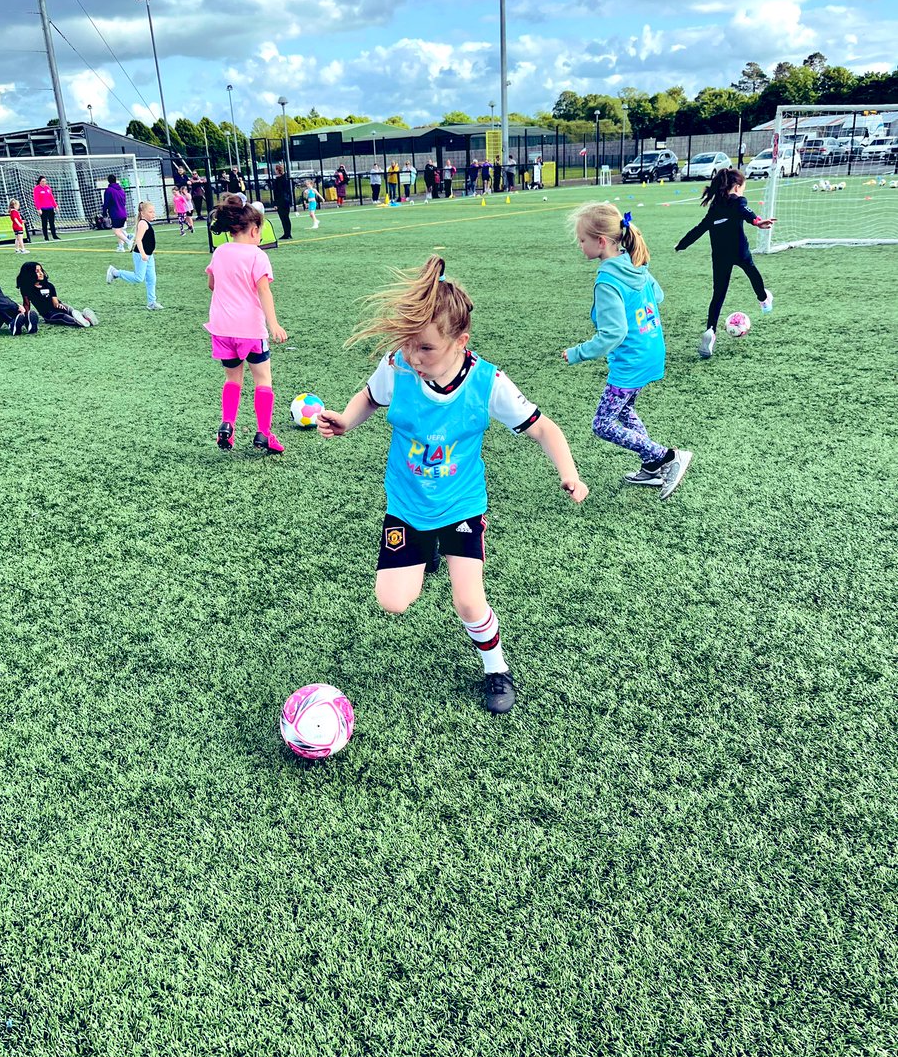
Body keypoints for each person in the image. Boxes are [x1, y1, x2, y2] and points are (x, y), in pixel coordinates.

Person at [317, 255, 589, 714]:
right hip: (406, 503)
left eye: (425, 348)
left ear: (461, 342)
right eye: (407, 345)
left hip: (462, 504)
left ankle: (496, 668)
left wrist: (569, 473)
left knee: (468, 601)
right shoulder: (397, 367)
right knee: (394, 601)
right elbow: (369, 396)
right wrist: (347, 419)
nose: (412, 357)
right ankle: (427, 556)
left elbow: (545, 428)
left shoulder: (488, 382)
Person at [563, 203, 692, 500]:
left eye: (582, 240)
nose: (580, 246)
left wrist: (577, 353)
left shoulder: (608, 280)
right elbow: (657, 295)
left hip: (631, 361)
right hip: (651, 351)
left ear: (601, 241)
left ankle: (667, 456)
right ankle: (651, 465)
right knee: (625, 409)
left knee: (602, 424)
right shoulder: (635, 265)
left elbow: (613, 334)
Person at [205, 196, 288, 455]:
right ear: (254, 231)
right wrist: (273, 324)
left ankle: (227, 425)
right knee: (263, 379)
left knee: (233, 379)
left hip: (221, 328)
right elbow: (264, 291)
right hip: (250, 329)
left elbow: (212, 284)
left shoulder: (220, 252)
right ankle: (264, 433)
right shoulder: (257, 255)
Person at [674, 167, 775, 359]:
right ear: (736, 187)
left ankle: (710, 331)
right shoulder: (737, 201)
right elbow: (746, 211)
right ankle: (763, 300)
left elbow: (700, 228)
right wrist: (757, 221)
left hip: (720, 255)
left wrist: (682, 244)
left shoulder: (715, 206)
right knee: (752, 272)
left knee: (718, 294)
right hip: (739, 251)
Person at [106, 200, 163, 311]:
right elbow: (138, 239)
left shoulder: (146, 223)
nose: (153, 214)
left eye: (153, 212)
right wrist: (142, 254)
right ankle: (115, 272)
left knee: (152, 279)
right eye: (150, 212)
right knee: (138, 278)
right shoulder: (143, 223)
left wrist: (148, 253)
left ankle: (152, 302)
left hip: (148, 255)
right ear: (143, 213)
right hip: (141, 255)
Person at [16, 260, 97, 330]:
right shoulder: (26, 288)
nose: (41, 273)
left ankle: (84, 317)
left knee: (69, 309)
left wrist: (59, 305)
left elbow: (55, 302)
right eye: (37, 271)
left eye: (41, 270)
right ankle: (80, 321)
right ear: (29, 274)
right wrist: (27, 317)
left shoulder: (49, 285)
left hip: (57, 307)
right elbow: (26, 304)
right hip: (49, 314)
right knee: (63, 317)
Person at [102, 174, 131, 253]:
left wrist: (104, 212)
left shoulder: (109, 190)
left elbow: (106, 203)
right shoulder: (121, 190)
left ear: (108, 181)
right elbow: (124, 202)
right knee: (120, 231)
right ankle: (121, 247)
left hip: (116, 214)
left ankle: (129, 241)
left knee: (116, 231)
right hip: (123, 213)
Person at [33, 176, 60, 241]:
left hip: (50, 208)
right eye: (43, 181)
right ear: (39, 182)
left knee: (52, 222)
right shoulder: (36, 189)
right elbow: (36, 200)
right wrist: (38, 209)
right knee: (44, 223)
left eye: (45, 181)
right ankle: (46, 237)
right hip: (43, 209)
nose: (44, 182)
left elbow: (51, 198)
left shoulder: (48, 188)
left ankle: (54, 236)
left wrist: (55, 206)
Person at [272, 163, 293, 239]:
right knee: (286, 217)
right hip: (286, 200)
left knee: (283, 218)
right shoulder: (286, 178)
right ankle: (288, 233)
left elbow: (277, 192)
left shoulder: (279, 180)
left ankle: (287, 234)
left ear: (278, 170)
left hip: (281, 201)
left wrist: (276, 203)